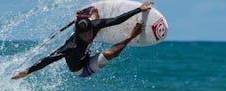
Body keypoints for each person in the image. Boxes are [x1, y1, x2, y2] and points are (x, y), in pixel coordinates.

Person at [11, 1, 153, 80]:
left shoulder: (93, 26)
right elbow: (48, 59)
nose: (89, 36)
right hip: (81, 69)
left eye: (90, 32)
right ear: (78, 34)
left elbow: (116, 20)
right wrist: (27, 71)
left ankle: (89, 16)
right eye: (85, 35)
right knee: (111, 53)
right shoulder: (71, 46)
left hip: (87, 39)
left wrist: (139, 10)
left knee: (99, 23)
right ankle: (130, 37)